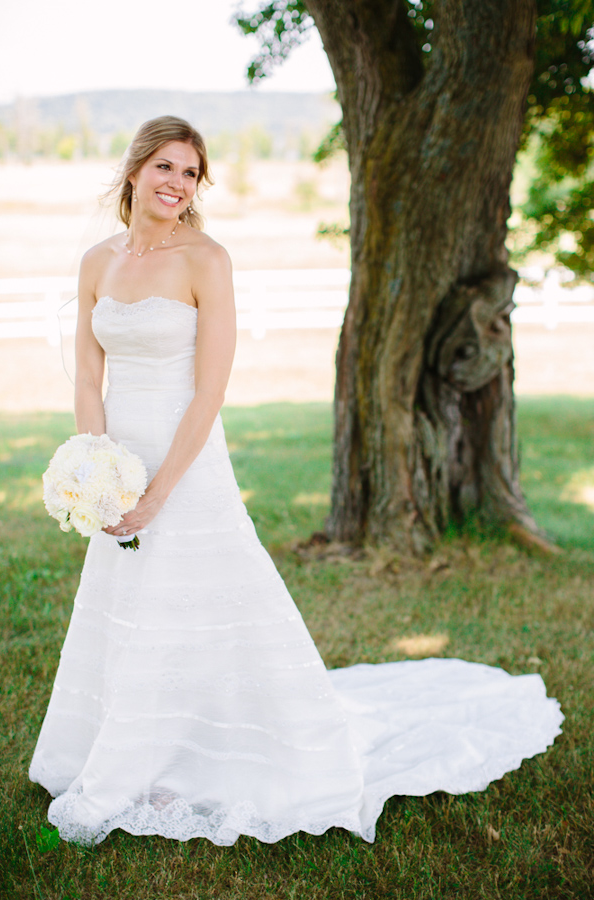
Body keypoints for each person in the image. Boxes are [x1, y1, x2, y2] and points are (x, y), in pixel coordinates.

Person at [29, 116, 564, 847]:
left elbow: (208, 391)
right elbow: (90, 375)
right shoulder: (98, 262)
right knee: (129, 603)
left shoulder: (207, 261)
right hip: (119, 462)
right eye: (165, 167)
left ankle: (207, 749)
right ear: (134, 170)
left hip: (186, 460)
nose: (176, 184)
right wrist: (98, 471)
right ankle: (134, 745)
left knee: (198, 597)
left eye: (190, 173)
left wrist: (156, 493)